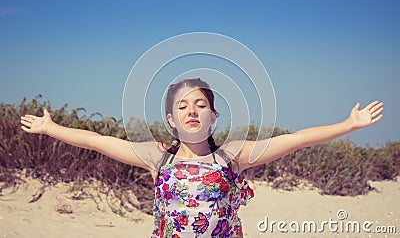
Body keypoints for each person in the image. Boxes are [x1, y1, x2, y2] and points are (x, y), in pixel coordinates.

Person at [20, 78, 384, 238]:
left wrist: (348, 125)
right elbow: (99, 140)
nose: (191, 110)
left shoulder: (233, 155)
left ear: (213, 116)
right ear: (170, 119)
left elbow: (295, 139)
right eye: (182, 106)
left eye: (201, 105)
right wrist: (52, 128)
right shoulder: (156, 157)